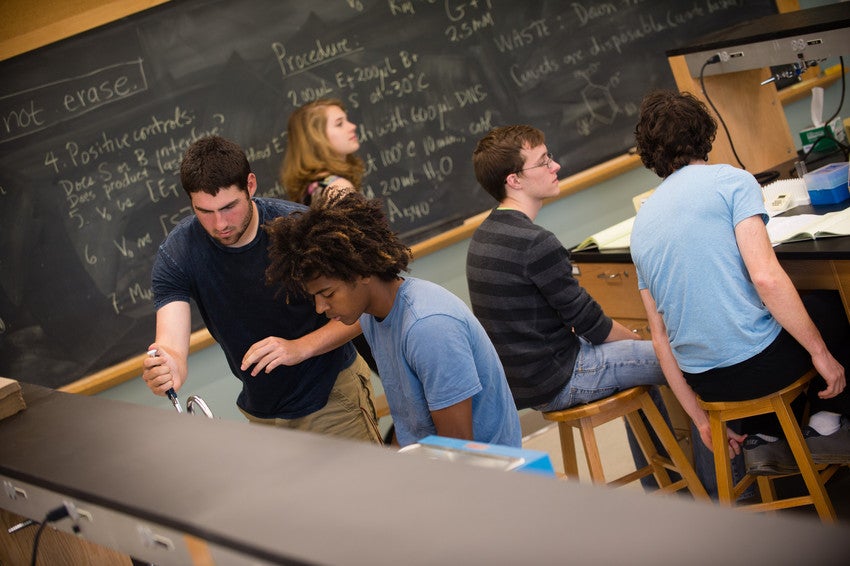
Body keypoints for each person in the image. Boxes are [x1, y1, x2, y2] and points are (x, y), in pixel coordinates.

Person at [630, 89, 850, 476]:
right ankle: (826, 423)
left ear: (650, 153)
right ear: (704, 133)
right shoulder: (731, 181)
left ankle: (765, 436)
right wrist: (821, 354)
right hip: (761, 369)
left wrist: (700, 418)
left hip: (706, 385)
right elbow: (765, 277)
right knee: (828, 307)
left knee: (752, 328)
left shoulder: (641, 224)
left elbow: (659, 339)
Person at [142, 135, 382, 444]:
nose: (220, 224)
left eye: (229, 207)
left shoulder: (299, 228)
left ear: (250, 185)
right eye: (205, 211)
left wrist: (300, 348)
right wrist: (168, 367)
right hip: (262, 413)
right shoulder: (179, 253)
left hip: (330, 396)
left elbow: (364, 310)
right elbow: (171, 345)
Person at [466, 125, 671, 483]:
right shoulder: (535, 243)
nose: (556, 166)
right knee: (684, 360)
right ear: (514, 180)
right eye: (543, 161)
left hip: (529, 384)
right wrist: (643, 343)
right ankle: (715, 489)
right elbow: (593, 325)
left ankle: (664, 483)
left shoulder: (484, 237)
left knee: (646, 370)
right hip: (562, 378)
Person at [264, 191, 522, 448]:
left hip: (483, 467)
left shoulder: (428, 327)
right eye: (314, 297)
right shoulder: (372, 317)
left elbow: (457, 449)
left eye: (328, 293)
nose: (320, 308)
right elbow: (412, 422)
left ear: (362, 271)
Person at [281, 98, 364, 205]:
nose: (353, 126)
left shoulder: (314, 187)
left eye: (346, 120)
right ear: (316, 138)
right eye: (339, 124)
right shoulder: (338, 189)